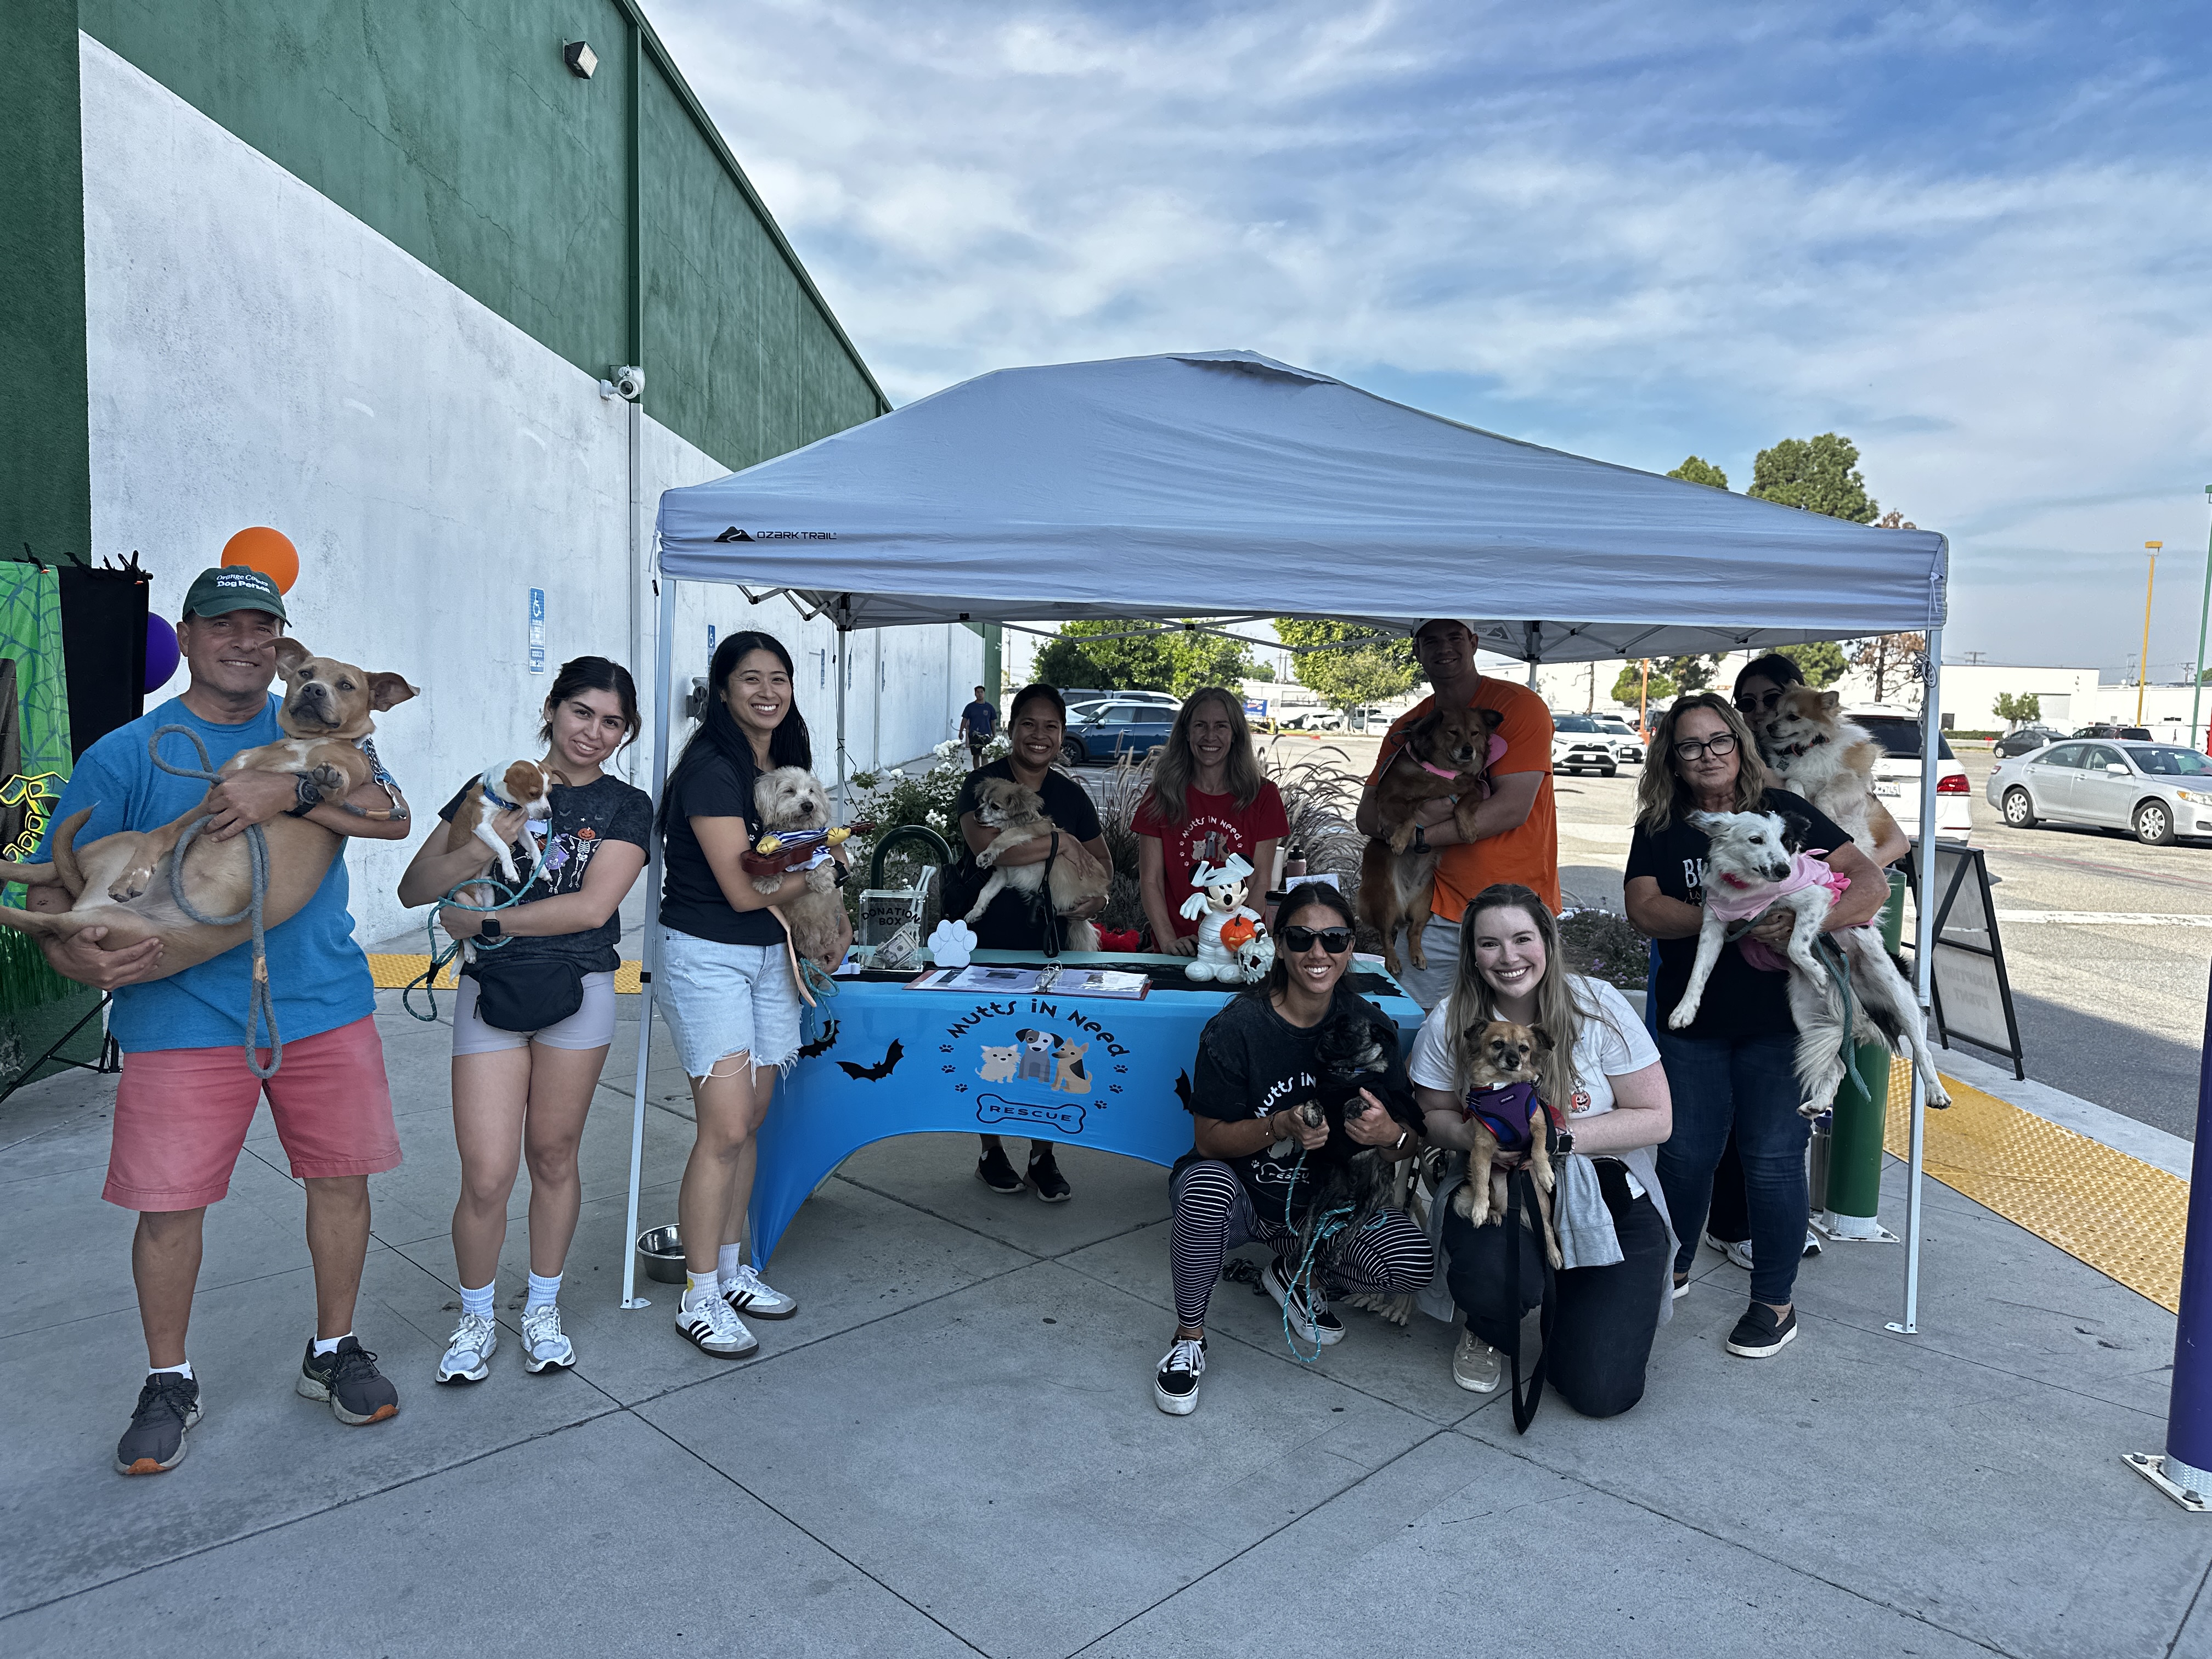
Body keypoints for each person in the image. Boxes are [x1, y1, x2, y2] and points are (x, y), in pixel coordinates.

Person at [33, 567, 414, 1475]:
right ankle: (169, 1376)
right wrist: (77, 958)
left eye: (261, 625)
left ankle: (334, 1348)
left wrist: (293, 794)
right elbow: (58, 895)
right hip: (179, 1012)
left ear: (281, 644)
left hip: (321, 1001)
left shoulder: (320, 738)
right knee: (168, 1209)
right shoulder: (130, 751)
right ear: (190, 635)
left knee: (342, 1183)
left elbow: (392, 815)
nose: (243, 641)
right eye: (223, 626)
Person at [396, 657, 651, 1385]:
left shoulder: (627, 805)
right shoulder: (489, 787)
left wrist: (486, 919)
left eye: (612, 723)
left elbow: (592, 908)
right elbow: (417, 887)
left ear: (625, 732)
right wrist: (488, 839)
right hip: (491, 996)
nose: (593, 733)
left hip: (580, 989)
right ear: (552, 707)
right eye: (581, 713)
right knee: (486, 1172)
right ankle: (476, 1318)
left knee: (553, 1156)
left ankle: (542, 1308)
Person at [1623, 692, 1884, 1359]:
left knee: (1771, 1163)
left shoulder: (1783, 814)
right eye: (1690, 745)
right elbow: (1645, 911)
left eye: (1719, 741)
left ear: (1738, 744)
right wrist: (1729, 917)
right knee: (1684, 1157)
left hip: (1781, 1022)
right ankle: (1671, 1268)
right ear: (1672, 758)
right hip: (1694, 1020)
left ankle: (1775, 1302)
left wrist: (1808, 921)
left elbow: (1869, 884)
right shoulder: (1661, 823)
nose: (1707, 755)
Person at [1153, 883, 1433, 1414]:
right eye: (1302, 938)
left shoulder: (1371, 1026)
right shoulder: (1240, 1027)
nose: (1318, 953)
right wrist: (1279, 1124)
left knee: (1410, 1261)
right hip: (1243, 1197)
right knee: (1203, 1187)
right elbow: (1208, 1140)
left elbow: (1408, 1142)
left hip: (1327, 1207)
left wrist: (1389, 1135)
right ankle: (1189, 1337)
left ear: (1351, 947)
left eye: (1334, 938)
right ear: (1279, 944)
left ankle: (1296, 1273)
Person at [656, 631, 852, 1359]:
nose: (767, 691)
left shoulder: (776, 765)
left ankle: (733, 1271)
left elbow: (789, 877)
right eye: (750, 679)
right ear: (723, 688)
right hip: (709, 955)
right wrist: (826, 864)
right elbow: (743, 889)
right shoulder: (711, 770)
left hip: (770, 954)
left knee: (756, 1116)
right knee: (726, 1126)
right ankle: (698, 1295)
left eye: (780, 678)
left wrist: (831, 907)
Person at [1413, 885, 1674, 1412]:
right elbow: (1433, 1116)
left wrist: (1558, 1139)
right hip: (1501, 1184)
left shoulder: (1599, 1005)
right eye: (1489, 944)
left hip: (1604, 1187)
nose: (1508, 957)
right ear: (1472, 953)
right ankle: (1490, 1323)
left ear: (1548, 942)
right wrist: (1469, 1136)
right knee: (1494, 1276)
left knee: (1601, 1390)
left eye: (1522, 939)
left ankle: (1576, 1303)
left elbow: (1659, 1119)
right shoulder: (1451, 1019)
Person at [1703, 654, 1910, 1271]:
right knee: (1729, 1116)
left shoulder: (1828, 771)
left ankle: (1765, 1235)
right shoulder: (1743, 775)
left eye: (1775, 701)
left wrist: (1831, 903)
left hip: (1809, 942)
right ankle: (1732, 1223)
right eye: (1749, 703)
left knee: (1780, 1113)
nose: (1763, 714)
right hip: (1741, 964)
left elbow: (1891, 843)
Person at [946, 683, 1110, 1201]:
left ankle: (1043, 1154)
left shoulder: (1071, 795)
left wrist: (1098, 904)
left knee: (1049, 1048)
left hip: (1051, 943)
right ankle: (990, 1149)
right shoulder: (982, 783)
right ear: (1011, 728)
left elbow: (1103, 866)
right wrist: (1060, 841)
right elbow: (989, 851)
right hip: (988, 936)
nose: (1040, 735)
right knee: (992, 1044)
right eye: (1029, 724)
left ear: (1062, 735)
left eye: (1051, 727)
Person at [1356, 618, 1558, 1009]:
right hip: (1433, 909)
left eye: (1454, 637)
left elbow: (1512, 808)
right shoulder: (1408, 727)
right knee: (1413, 1023)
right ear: (1416, 651)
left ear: (1474, 642)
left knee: (1514, 1032)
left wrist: (1419, 835)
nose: (1443, 648)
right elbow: (1366, 817)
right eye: (1430, 640)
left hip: (1514, 908)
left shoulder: (1520, 708)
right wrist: (1413, 814)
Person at [1133, 687, 1288, 955]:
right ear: (1186, 733)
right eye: (1201, 726)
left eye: (1221, 726)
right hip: (1178, 947)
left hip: (1236, 948)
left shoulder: (1263, 795)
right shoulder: (1160, 794)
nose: (1210, 736)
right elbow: (1151, 880)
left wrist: (1236, 937)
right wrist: (1169, 941)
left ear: (1235, 734)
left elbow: (1260, 879)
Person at [958, 685, 998, 770]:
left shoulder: (989, 707)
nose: (980, 694)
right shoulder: (970, 707)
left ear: (984, 694)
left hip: (986, 735)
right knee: (976, 755)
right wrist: (961, 732)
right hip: (974, 735)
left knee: (985, 755)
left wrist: (994, 734)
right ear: (975, 694)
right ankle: (976, 772)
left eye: (982, 692)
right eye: (978, 692)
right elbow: (965, 719)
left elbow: (993, 721)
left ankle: (983, 773)